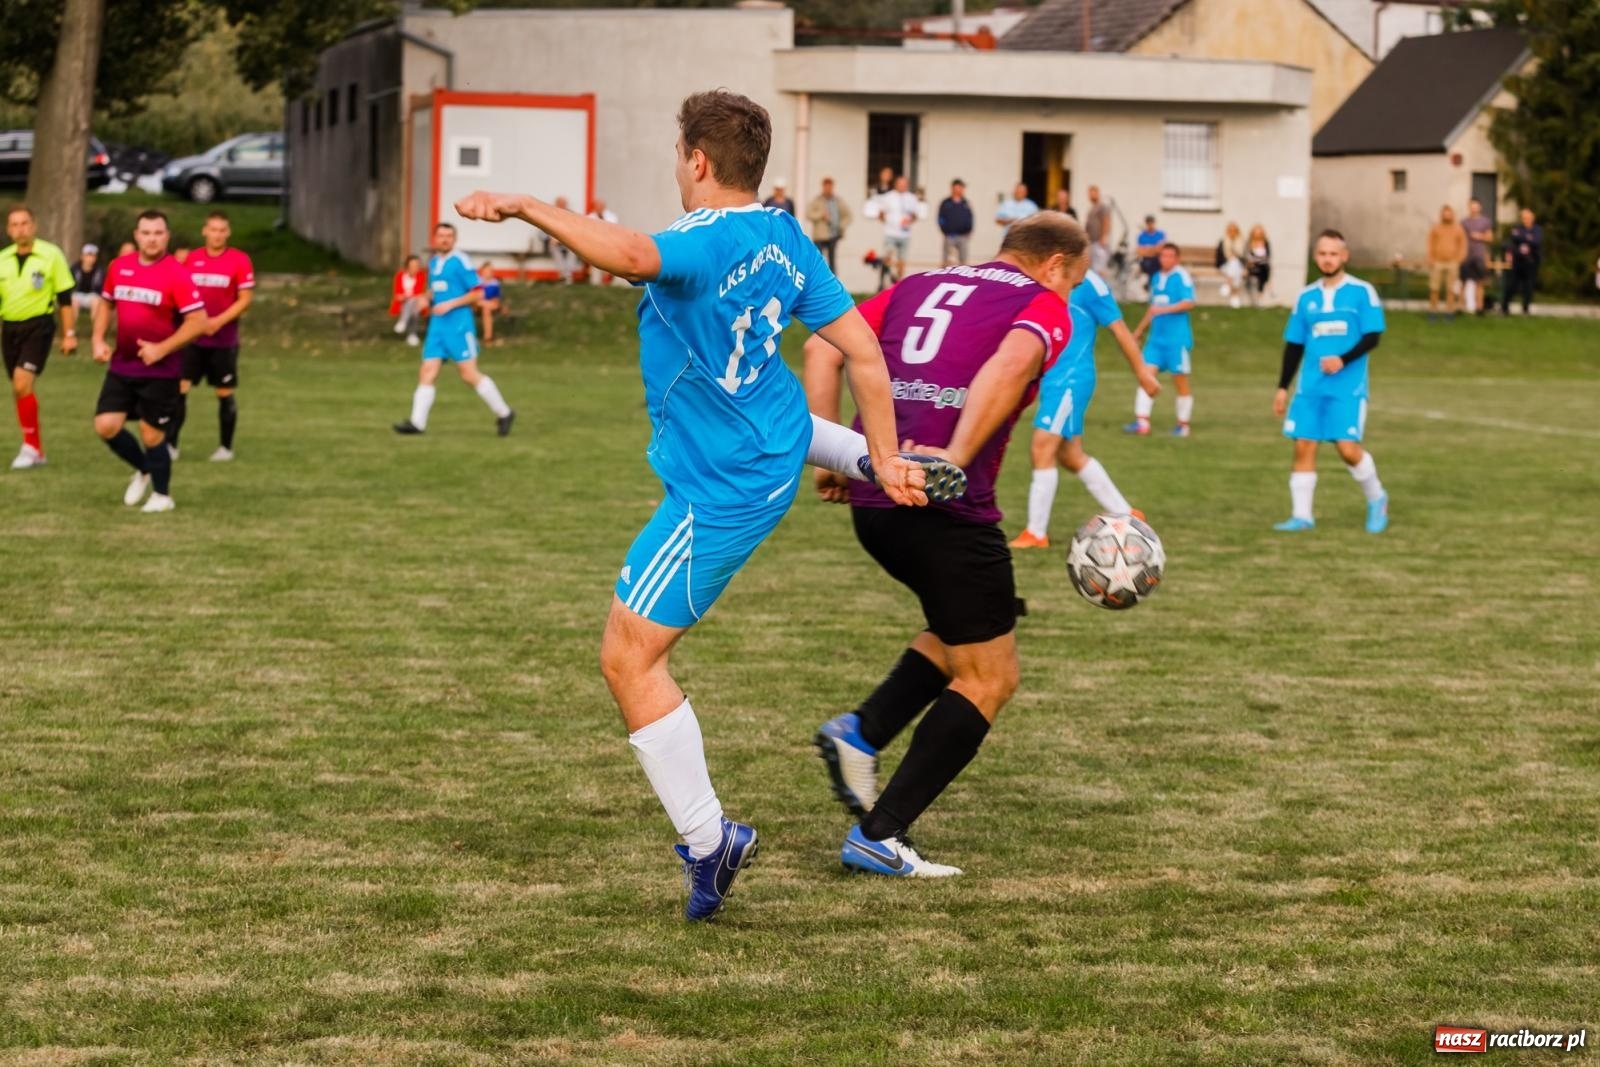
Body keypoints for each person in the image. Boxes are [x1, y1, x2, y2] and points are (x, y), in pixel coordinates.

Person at [454, 89, 931, 921]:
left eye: (679, 156)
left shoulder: (699, 242)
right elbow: (861, 351)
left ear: (698, 162)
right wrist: (877, 453)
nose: (677, 167)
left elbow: (635, 255)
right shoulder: (784, 233)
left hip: (723, 488)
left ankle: (712, 841)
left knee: (627, 658)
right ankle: (857, 459)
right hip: (775, 437)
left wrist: (528, 204)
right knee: (786, 436)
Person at [805, 213, 1088, 877]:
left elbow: (824, 347)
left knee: (976, 619)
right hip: (943, 507)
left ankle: (863, 731)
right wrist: (953, 456)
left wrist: (831, 455)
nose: (1069, 295)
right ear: (1054, 266)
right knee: (992, 674)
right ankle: (881, 833)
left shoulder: (920, 281)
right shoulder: (1042, 303)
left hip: (874, 498)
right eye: (1072, 281)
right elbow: (1014, 360)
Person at [1010, 266, 1162, 549]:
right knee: (1070, 455)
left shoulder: (1090, 284)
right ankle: (1127, 514)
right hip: (1053, 378)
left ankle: (1036, 533)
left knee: (1041, 447)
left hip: (1071, 378)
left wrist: (1142, 373)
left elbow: (1119, 330)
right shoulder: (1042, 274)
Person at [90, 209, 206, 513]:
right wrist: (98, 339)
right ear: (136, 236)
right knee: (105, 425)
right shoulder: (120, 266)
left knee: (151, 433)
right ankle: (144, 468)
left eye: (158, 233)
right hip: (122, 365)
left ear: (166, 236)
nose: (152, 239)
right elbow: (106, 303)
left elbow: (198, 321)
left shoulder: (177, 274)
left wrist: (162, 348)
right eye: (146, 233)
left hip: (161, 371)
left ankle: (163, 496)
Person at [1273, 229, 1388, 534]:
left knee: (1348, 450)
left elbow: (1373, 336)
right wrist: (1283, 387)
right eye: (1323, 253)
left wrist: (1343, 359)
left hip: (1347, 387)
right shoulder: (1306, 297)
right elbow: (1294, 345)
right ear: (1316, 257)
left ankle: (1377, 499)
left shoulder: (1362, 292)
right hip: (1310, 387)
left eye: (1333, 254)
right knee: (1303, 446)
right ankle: (1302, 516)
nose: (1328, 259)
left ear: (1344, 256)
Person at [391, 222, 515, 437]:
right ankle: (417, 423)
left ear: (454, 240)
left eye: (449, 236)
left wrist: (450, 304)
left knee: (468, 374)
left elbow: (477, 293)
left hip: (459, 324)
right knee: (427, 370)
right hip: (438, 326)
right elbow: (435, 290)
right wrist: (424, 298)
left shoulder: (461, 261)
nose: (445, 239)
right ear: (435, 239)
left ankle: (504, 412)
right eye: (441, 235)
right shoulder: (434, 263)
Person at [170, 210, 253, 463]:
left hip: (223, 341)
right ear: (204, 231)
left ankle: (225, 448)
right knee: (180, 388)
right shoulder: (191, 260)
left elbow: (245, 299)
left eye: (222, 230)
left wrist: (218, 321)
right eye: (212, 229)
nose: (217, 235)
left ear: (228, 233)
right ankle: (171, 446)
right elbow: (178, 294)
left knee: (224, 392)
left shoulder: (239, 260)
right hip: (192, 340)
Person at [0, 204, 77, 470]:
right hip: (10, 328)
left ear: (33, 226)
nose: (20, 229)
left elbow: (65, 298)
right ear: (9, 230)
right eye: (14, 224)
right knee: (20, 388)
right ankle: (37, 449)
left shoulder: (50, 255)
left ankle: (30, 447)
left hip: (39, 326)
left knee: (22, 383)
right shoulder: (3, 259)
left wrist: (69, 334)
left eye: (24, 223)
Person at [1126, 243, 1196, 437]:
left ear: (1177, 258)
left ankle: (1183, 425)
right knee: (1146, 377)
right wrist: (1139, 330)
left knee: (1180, 382)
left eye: (1170, 256)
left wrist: (1163, 310)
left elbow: (1189, 302)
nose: (1165, 259)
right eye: (1163, 256)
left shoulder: (1181, 276)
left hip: (1177, 341)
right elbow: (1152, 308)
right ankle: (1142, 423)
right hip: (1156, 340)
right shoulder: (1156, 278)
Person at [863, 175, 925, 282]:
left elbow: (915, 215)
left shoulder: (911, 198)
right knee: (887, 259)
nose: (902, 186)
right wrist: (890, 223)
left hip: (905, 235)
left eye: (904, 184)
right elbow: (881, 214)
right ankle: (884, 281)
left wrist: (909, 221)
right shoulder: (888, 197)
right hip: (890, 234)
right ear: (896, 185)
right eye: (900, 184)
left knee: (902, 261)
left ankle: (898, 282)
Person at [1426, 204, 1467, 318]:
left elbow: (1463, 245)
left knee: (1451, 289)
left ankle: (1449, 312)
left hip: (1452, 262)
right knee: (1434, 288)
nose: (1447, 216)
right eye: (1445, 214)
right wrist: (1431, 258)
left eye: (1449, 214)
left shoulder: (1458, 229)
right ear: (1442, 215)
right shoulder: (1436, 228)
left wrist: (1459, 259)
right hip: (1437, 262)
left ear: (1452, 215)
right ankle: (1432, 311)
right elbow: (1430, 243)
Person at [1500, 207, 1542, 315]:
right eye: (1524, 218)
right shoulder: (1517, 228)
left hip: (1530, 262)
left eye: (1528, 218)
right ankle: (1504, 307)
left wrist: (1522, 238)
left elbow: (1536, 242)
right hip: (1517, 261)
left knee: (1528, 286)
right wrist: (1527, 238)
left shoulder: (1537, 229)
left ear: (1533, 218)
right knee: (1511, 285)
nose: (1526, 220)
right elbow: (1513, 239)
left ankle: (1525, 309)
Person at [805, 177, 851, 273]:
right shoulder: (817, 200)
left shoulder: (838, 201)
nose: (828, 189)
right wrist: (821, 214)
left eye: (830, 187)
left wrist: (841, 225)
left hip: (833, 235)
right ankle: (818, 282)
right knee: (818, 261)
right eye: (826, 186)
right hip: (820, 236)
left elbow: (848, 216)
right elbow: (809, 214)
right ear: (823, 187)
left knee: (832, 261)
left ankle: (833, 284)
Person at [1459, 199, 1494, 316]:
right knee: (1463, 283)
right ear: (1469, 208)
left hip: (1479, 256)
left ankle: (1480, 308)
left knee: (1480, 283)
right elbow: (1459, 239)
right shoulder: (1463, 222)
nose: (1474, 209)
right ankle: (1460, 307)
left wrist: (1480, 236)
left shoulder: (1485, 221)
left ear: (1480, 207)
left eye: (1476, 206)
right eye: (1471, 206)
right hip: (1465, 256)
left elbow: (1490, 238)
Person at [390, 254, 427, 345]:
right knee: (411, 305)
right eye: (413, 266)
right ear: (407, 267)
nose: (416, 268)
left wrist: (408, 296)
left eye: (417, 266)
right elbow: (397, 293)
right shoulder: (400, 276)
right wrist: (402, 297)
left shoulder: (421, 275)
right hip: (402, 303)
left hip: (418, 302)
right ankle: (412, 335)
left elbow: (419, 292)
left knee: (413, 303)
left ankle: (403, 321)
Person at [936, 178, 974, 266]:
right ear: (952, 188)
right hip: (950, 236)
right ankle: (944, 278)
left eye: (961, 188)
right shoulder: (945, 203)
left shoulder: (966, 203)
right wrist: (945, 230)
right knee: (947, 262)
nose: (959, 190)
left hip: (963, 236)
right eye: (957, 187)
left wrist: (969, 230)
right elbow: (940, 218)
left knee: (963, 263)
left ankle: (962, 279)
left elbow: (970, 218)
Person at [586, 199, 620, 284]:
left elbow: (613, 230)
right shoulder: (590, 217)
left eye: (601, 206)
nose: (599, 208)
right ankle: (596, 281)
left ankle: (608, 277)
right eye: (598, 206)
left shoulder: (612, 216)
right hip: (595, 244)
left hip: (609, 244)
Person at [548, 197, 579, 283]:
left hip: (568, 241)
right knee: (554, 248)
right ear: (556, 204)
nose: (561, 206)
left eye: (563, 204)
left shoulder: (572, 215)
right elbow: (542, 231)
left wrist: (565, 239)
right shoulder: (549, 214)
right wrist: (551, 238)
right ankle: (565, 275)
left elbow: (576, 229)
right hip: (554, 242)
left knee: (573, 250)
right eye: (559, 204)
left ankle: (565, 275)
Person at [1216, 221, 1246, 308]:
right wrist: (1230, 258)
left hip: (1238, 267)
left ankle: (1227, 285)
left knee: (1235, 263)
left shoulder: (1242, 242)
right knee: (1234, 263)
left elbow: (1244, 258)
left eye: (1234, 230)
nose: (1232, 232)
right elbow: (1219, 258)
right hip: (1224, 266)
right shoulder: (1223, 242)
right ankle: (1235, 296)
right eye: (1230, 230)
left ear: (1237, 231)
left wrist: (1236, 257)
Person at [71, 243, 105, 316]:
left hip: (92, 296)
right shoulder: (74, 269)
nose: (90, 258)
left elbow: (101, 289)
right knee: (73, 300)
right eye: (88, 255)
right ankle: (71, 326)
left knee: (96, 301)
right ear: (82, 256)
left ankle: (95, 326)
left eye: (92, 256)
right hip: (77, 295)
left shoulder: (99, 271)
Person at [1084, 185, 1111, 275]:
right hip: (1091, 242)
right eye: (1090, 193)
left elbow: (1106, 221)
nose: (1091, 195)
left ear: (1097, 193)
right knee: (1091, 268)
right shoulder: (1091, 208)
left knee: (1099, 268)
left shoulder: (1102, 207)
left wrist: (1104, 237)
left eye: (1093, 193)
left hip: (1099, 242)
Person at [1134, 215, 1165, 290]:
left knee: (1154, 263)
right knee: (1149, 264)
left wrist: (1148, 249)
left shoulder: (1160, 234)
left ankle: (1150, 284)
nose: (1150, 225)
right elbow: (1139, 251)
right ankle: (1151, 284)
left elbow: (1160, 249)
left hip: (1157, 259)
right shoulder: (1142, 235)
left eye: (1151, 223)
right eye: (1148, 223)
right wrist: (1153, 250)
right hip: (1146, 260)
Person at [477, 262, 502, 344]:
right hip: (475, 305)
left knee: (486, 310)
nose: (490, 272)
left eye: (491, 270)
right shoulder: (476, 282)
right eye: (488, 270)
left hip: (488, 306)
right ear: (482, 271)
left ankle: (488, 338)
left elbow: (496, 300)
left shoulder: (495, 284)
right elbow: (472, 296)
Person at [1246, 225, 1272, 300]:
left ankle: (1260, 294)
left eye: (1259, 233)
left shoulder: (1265, 243)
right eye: (1256, 233)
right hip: (1252, 265)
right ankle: (1268, 286)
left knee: (1264, 268)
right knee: (1263, 270)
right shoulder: (1249, 243)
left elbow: (1268, 255)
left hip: (1262, 265)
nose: (1258, 235)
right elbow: (1248, 256)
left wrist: (1260, 259)